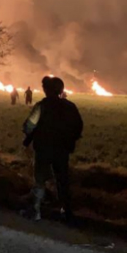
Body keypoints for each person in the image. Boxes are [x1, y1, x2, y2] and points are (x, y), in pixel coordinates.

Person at [22, 75, 83, 223]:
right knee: (62, 180)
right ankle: (67, 212)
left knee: (40, 180)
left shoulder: (41, 106)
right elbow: (78, 127)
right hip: (62, 150)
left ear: (47, 90)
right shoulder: (70, 107)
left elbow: (28, 127)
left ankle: (35, 211)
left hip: (43, 149)